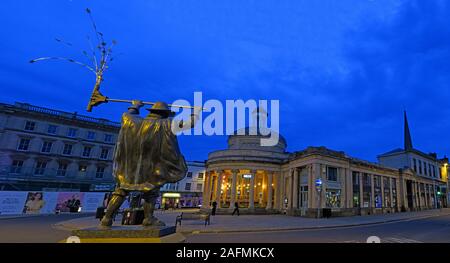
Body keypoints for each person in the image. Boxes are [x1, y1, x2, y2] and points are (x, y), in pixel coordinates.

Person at [100, 100, 200, 228]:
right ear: (164, 114)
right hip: (151, 165)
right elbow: (190, 123)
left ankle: (106, 218)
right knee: (151, 191)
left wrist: (136, 105)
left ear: (152, 112)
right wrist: (196, 112)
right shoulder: (167, 123)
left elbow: (127, 114)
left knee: (121, 190)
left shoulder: (132, 121)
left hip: (130, 166)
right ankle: (148, 218)